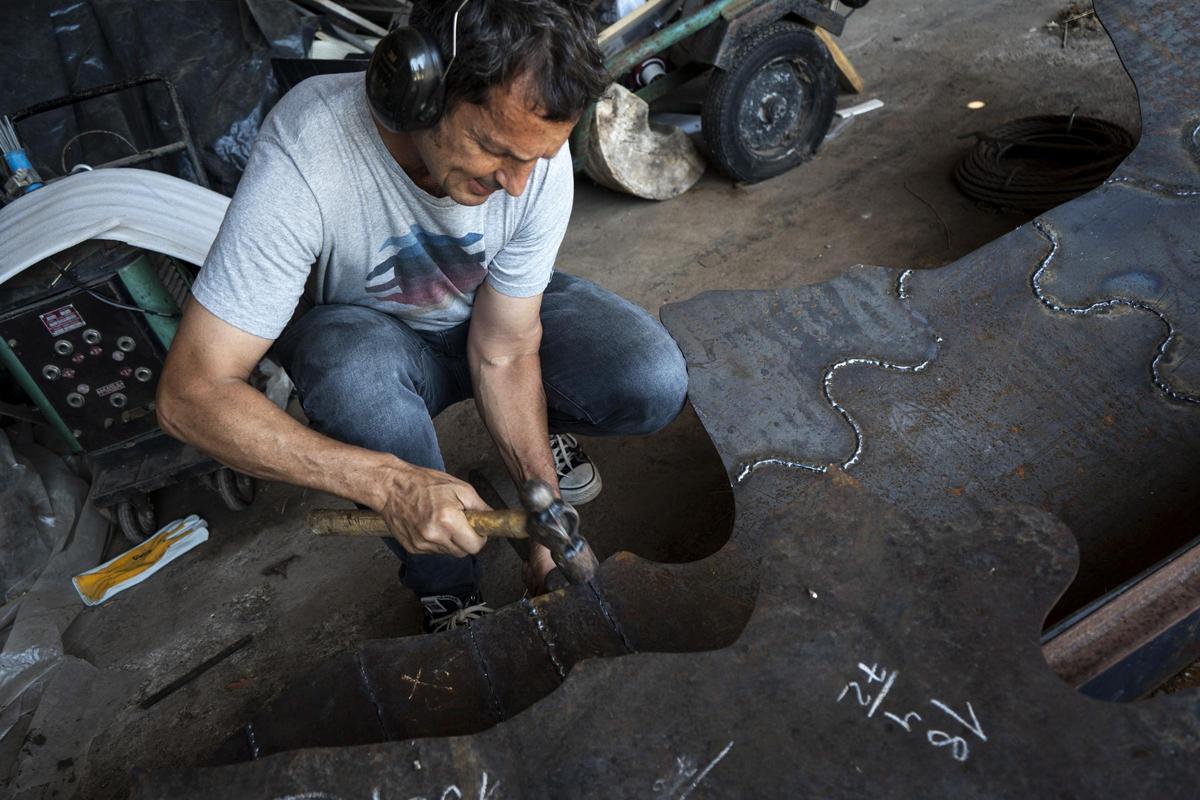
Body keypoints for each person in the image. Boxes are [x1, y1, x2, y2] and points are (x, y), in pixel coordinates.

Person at [156, 0, 688, 632]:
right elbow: (190, 393)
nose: (518, 184)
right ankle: (449, 588)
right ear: (420, 93)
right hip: (375, 340)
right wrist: (388, 483)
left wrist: (546, 517)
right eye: (494, 148)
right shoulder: (308, 150)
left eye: (537, 158)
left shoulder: (531, 167)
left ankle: (534, 448)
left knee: (650, 377)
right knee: (348, 369)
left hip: (486, 313)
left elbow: (506, 348)